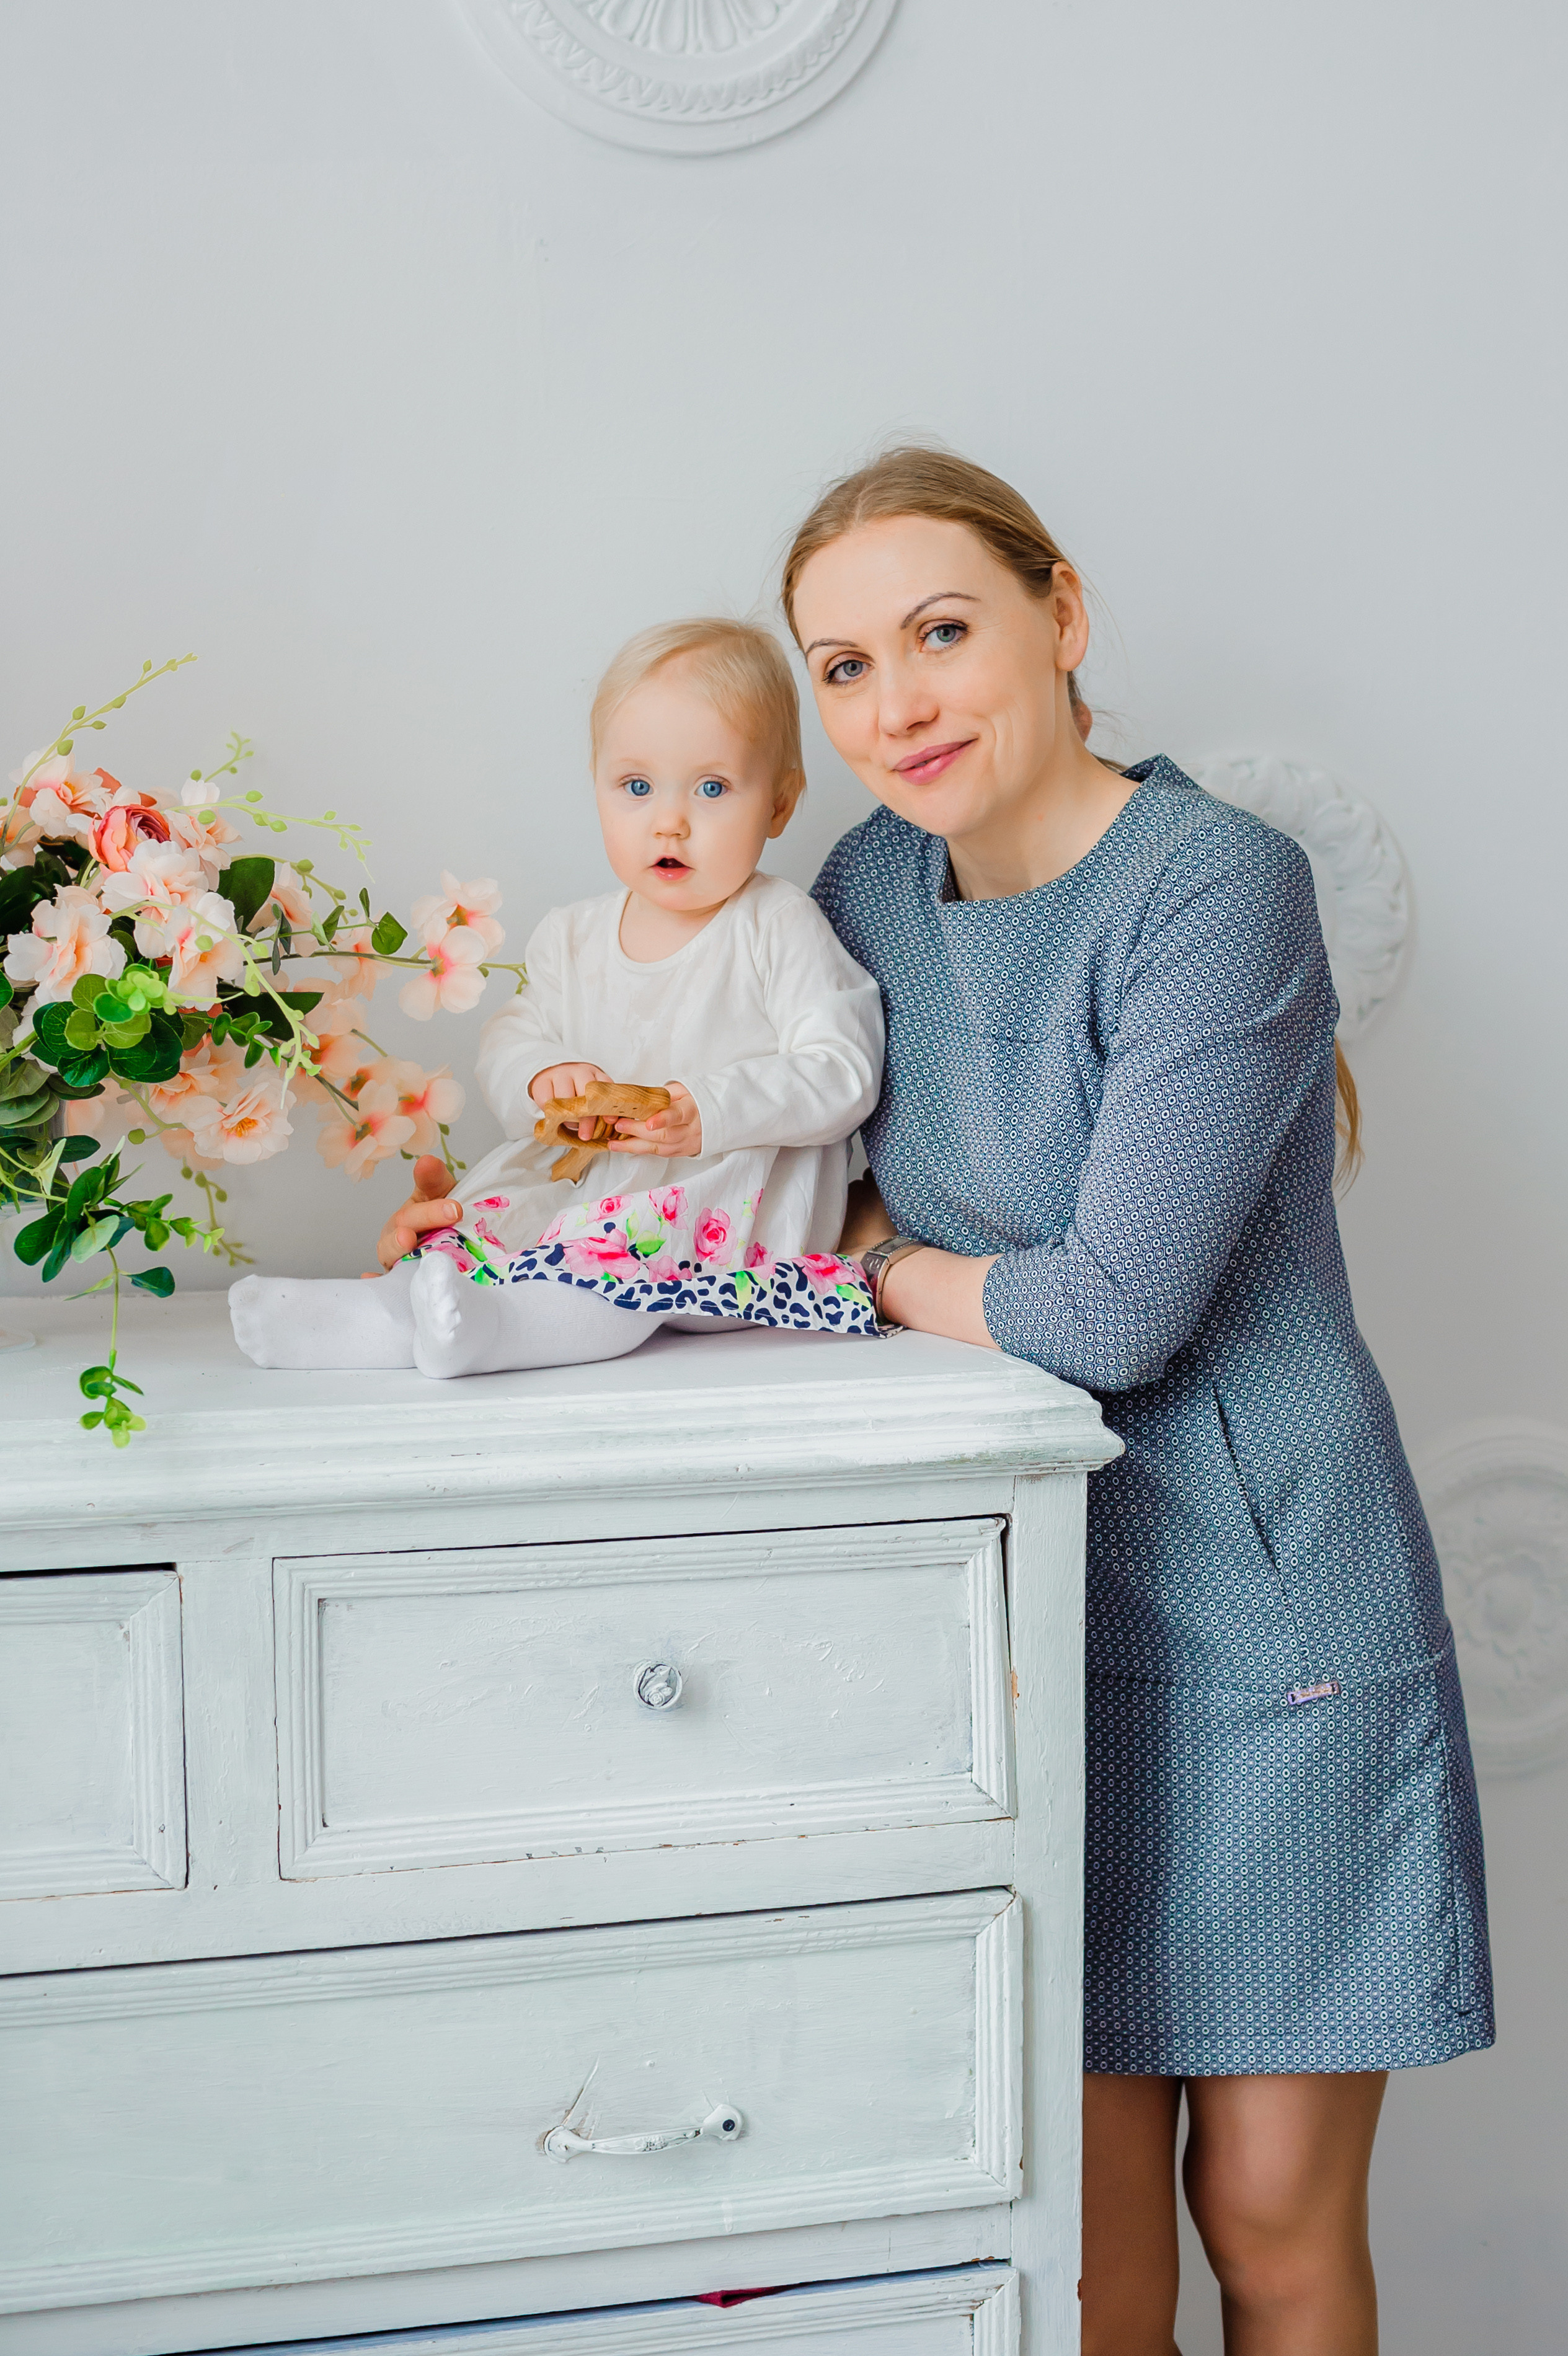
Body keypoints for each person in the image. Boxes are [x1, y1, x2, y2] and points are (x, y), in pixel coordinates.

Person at [784, 447, 1492, 2355]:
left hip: (1276, 1638)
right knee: (1077, 2267)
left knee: (1264, 2230)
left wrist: (880, 1272)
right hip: (1019, 1636)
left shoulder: (1217, 886)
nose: (899, 701)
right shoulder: (865, 891)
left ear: (1060, 615)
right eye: (843, 668)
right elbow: (766, 1145)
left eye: (941, 633)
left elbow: (1111, 1310)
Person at [229, 617, 883, 1376]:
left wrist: (705, 1109)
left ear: (778, 803)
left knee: (607, 1275)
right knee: (475, 1225)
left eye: (712, 787)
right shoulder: (572, 936)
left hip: (720, 1213)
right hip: (585, 1184)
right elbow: (512, 1037)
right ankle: (371, 1323)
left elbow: (844, 1069)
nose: (669, 819)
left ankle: (495, 1331)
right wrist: (544, 1073)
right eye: (636, 786)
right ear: (599, 786)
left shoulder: (777, 924)